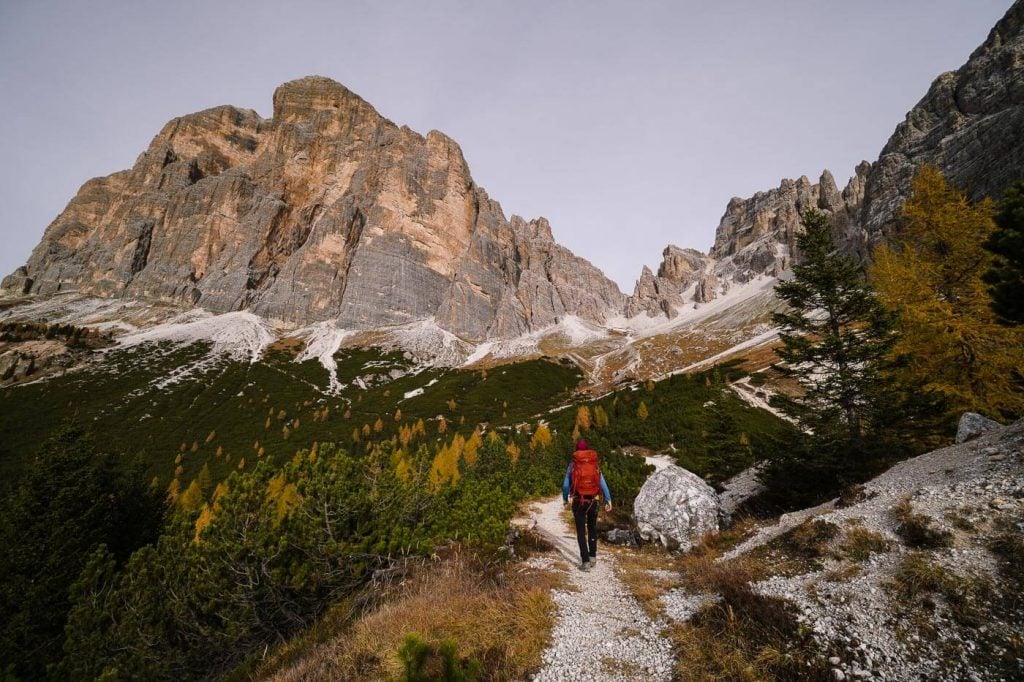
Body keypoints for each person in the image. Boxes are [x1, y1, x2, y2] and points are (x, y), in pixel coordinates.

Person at [562, 439, 612, 570]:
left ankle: (585, 562)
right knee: (592, 528)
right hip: (594, 501)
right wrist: (608, 499)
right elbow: (602, 482)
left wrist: (565, 499)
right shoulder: (594, 463)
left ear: (576, 450)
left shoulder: (573, 464)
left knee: (580, 531)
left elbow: (566, 485)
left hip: (579, 501)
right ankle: (593, 557)